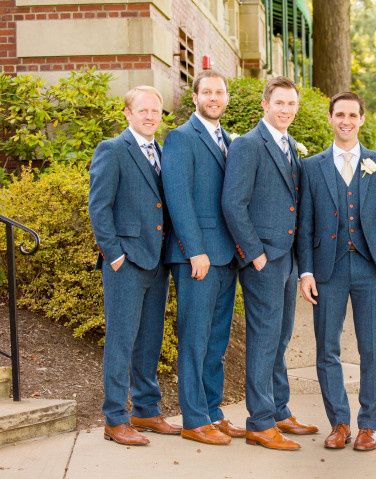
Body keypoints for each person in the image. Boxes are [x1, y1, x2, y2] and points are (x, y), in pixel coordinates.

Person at [297, 92, 376, 451]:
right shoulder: (310, 167)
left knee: (372, 348)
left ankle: (369, 425)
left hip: (372, 269)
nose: (346, 120)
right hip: (328, 268)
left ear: (362, 119)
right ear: (330, 118)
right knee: (327, 348)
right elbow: (305, 224)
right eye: (340, 114)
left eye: (353, 114)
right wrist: (305, 271)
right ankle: (339, 422)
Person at [222, 76, 318, 451]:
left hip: (289, 259)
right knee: (263, 340)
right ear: (265, 104)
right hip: (263, 260)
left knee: (279, 338)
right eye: (279, 103)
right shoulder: (248, 145)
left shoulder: (291, 146)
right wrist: (255, 254)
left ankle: (279, 409)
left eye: (291, 104)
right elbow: (234, 203)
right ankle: (260, 422)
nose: (286, 110)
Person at [89, 85, 180, 445]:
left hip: (157, 262)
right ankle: (115, 418)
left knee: (149, 341)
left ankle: (145, 410)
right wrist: (114, 255)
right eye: (142, 111)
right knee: (122, 341)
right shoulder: (112, 150)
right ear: (128, 114)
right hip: (126, 263)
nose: (150, 117)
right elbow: (99, 207)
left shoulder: (162, 151)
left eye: (155, 111)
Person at [162, 70, 244, 445]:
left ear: (226, 98)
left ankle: (213, 411)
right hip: (198, 257)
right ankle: (194, 419)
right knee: (195, 338)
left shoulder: (230, 140)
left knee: (216, 339)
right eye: (207, 91)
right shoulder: (181, 138)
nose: (214, 97)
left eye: (219, 92)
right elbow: (178, 199)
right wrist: (194, 249)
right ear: (194, 97)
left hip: (227, 255)